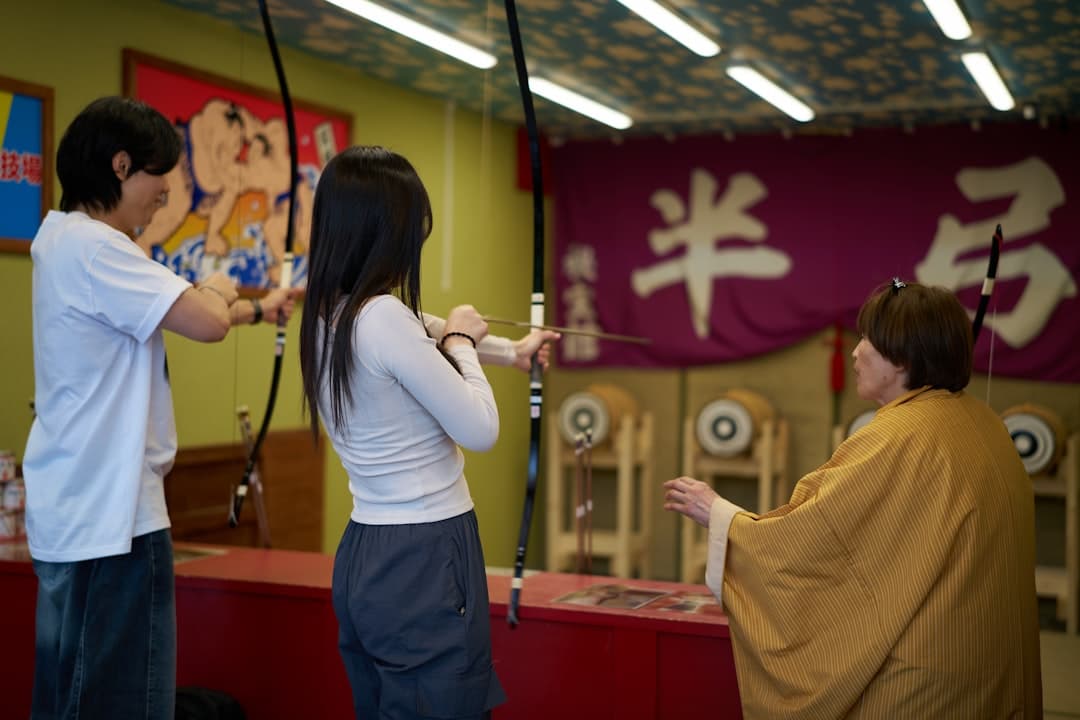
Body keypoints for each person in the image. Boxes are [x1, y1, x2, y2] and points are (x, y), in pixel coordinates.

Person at [23, 96, 296, 720]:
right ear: (121, 166)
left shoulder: (63, 242)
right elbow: (203, 318)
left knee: (68, 699)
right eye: (158, 183)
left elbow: (157, 318)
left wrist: (259, 307)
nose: (162, 201)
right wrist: (222, 288)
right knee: (125, 704)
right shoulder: (98, 246)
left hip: (74, 515)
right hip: (114, 522)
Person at [664, 279, 1042, 718]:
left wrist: (721, 515)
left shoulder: (900, 435)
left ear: (901, 358)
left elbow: (816, 540)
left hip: (929, 676)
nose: (855, 352)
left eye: (868, 340)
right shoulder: (980, 419)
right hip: (983, 662)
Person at [298, 145, 557, 720]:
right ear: (387, 230)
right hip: (425, 552)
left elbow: (426, 330)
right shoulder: (382, 317)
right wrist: (463, 344)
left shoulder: (328, 314)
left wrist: (512, 352)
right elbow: (480, 427)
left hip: (367, 552)